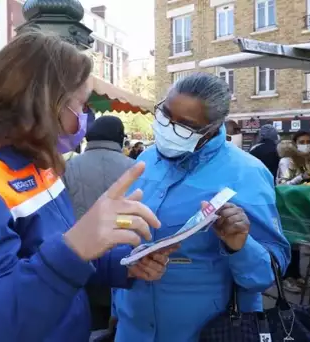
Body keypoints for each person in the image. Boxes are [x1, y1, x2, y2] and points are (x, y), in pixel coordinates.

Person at [0, 31, 176, 342]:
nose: (84, 120)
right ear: (45, 103)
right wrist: (75, 248)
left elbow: (47, 252)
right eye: (80, 106)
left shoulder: (33, 162)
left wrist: (122, 265)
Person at [112, 73, 290, 342]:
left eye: (184, 126)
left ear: (212, 128)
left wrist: (240, 245)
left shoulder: (247, 173)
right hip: (132, 328)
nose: (168, 128)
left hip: (210, 332)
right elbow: (122, 230)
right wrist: (118, 297)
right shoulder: (145, 161)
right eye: (165, 114)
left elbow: (268, 273)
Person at [62, 115, 136, 331]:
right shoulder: (135, 167)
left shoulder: (68, 167)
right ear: (119, 138)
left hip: (81, 255)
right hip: (127, 259)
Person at [276, 131, 310, 293]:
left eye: (308, 141)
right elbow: (283, 184)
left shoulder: (308, 161)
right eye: (302, 141)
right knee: (288, 244)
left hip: (298, 207)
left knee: (296, 244)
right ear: (295, 144)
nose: (306, 144)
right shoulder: (286, 161)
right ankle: (285, 278)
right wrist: (301, 177)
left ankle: (296, 275)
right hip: (285, 206)